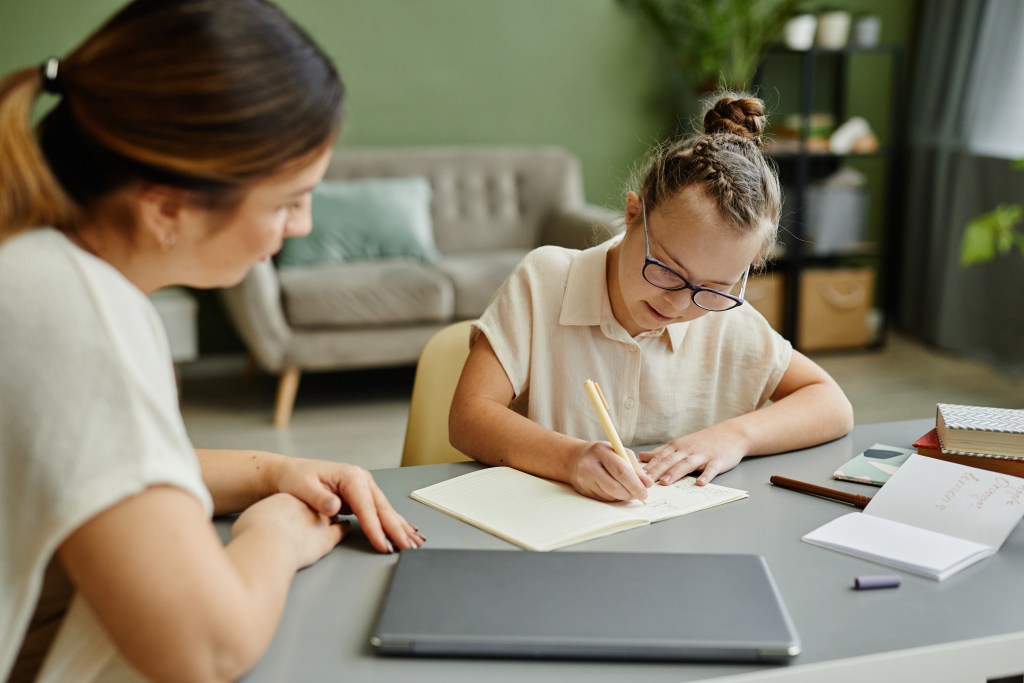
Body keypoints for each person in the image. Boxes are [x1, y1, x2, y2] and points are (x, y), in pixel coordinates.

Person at [0, 1, 424, 681]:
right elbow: (207, 648)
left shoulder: (28, 263)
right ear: (167, 206)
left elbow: (94, 464)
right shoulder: (79, 313)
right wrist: (278, 531)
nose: (303, 226)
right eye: (287, 201)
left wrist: (270, 471)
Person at [449, 94, 854, 503]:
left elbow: (831, 404)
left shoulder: (725, 317)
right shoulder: (545, 281)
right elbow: (469, 418)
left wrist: (735, 436)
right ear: (631, 213)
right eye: (666, 269)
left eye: (712, 288)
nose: (679, 304)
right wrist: (570, 458)